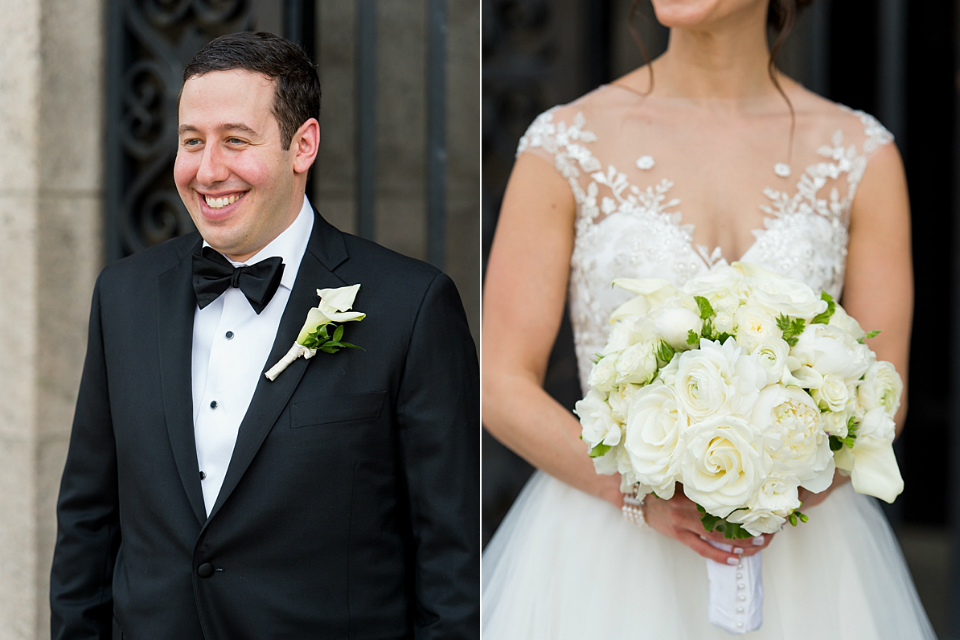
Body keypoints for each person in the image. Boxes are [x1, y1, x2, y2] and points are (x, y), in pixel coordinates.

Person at [482, 0, 935, 637]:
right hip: (607, 558)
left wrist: (787, 484)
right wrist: (635, 494)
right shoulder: (565, 143)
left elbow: (886, 390)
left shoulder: (860, 154)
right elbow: (500, 384)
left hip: (805, 562)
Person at [50, 31, 479, 640]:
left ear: (302, 145)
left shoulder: (410, 305)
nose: (207, 170)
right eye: (192, 142)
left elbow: (449, 553)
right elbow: (87, 524)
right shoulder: (122, 295)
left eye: (235, 141)